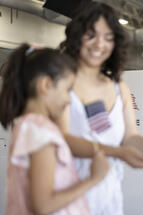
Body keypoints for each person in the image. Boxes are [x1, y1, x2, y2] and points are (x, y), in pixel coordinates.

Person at [59, 2, 143, 215]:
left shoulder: (119, 88)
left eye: (108, 37)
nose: (100, 44)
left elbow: (130, 139)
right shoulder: (60, 83)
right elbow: (63, 140)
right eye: (91, 35)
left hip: (108, 195)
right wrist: (118, 152)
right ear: (76, 36)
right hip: (68, 195)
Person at [0, 44, 110, 215]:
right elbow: (44, 206)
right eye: (67, 90)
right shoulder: (40, 132)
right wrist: (94, 178)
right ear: (45, 85)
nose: (69, 100)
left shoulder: (27, 125)